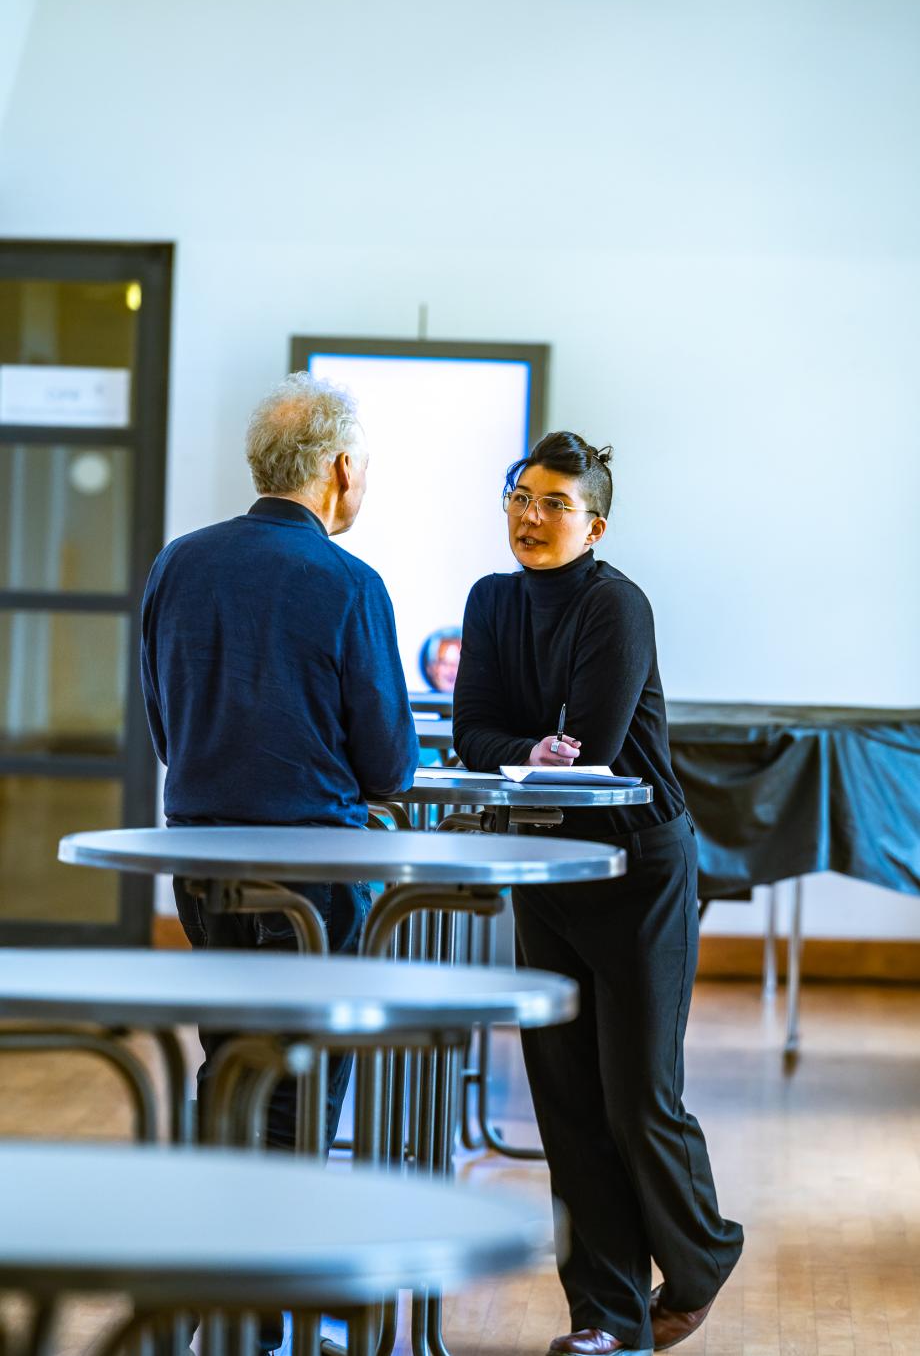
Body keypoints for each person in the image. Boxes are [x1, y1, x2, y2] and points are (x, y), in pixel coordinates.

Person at [453, 431, 742, 1355]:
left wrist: (526, 747)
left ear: (596, 524)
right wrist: (525, 749)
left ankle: (703, 1255)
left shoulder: (619, 605)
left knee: (638, 1095)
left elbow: (599, 740)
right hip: (548, 867)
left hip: (637, 865)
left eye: (553, 504)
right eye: (520, 496)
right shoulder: (490, 600)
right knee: (567, 1103)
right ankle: (605, 1317)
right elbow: (474, 732)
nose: (530, 517)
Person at [141, 371, 418, 1158]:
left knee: (228, 1060)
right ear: (337, 469)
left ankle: (216, 1257)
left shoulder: (177, 565)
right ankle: (274, 1266)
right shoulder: (350, 584)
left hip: (201, 867)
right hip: (314, 876)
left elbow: (168, 729)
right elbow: (390, 765)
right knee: (302, 1073)